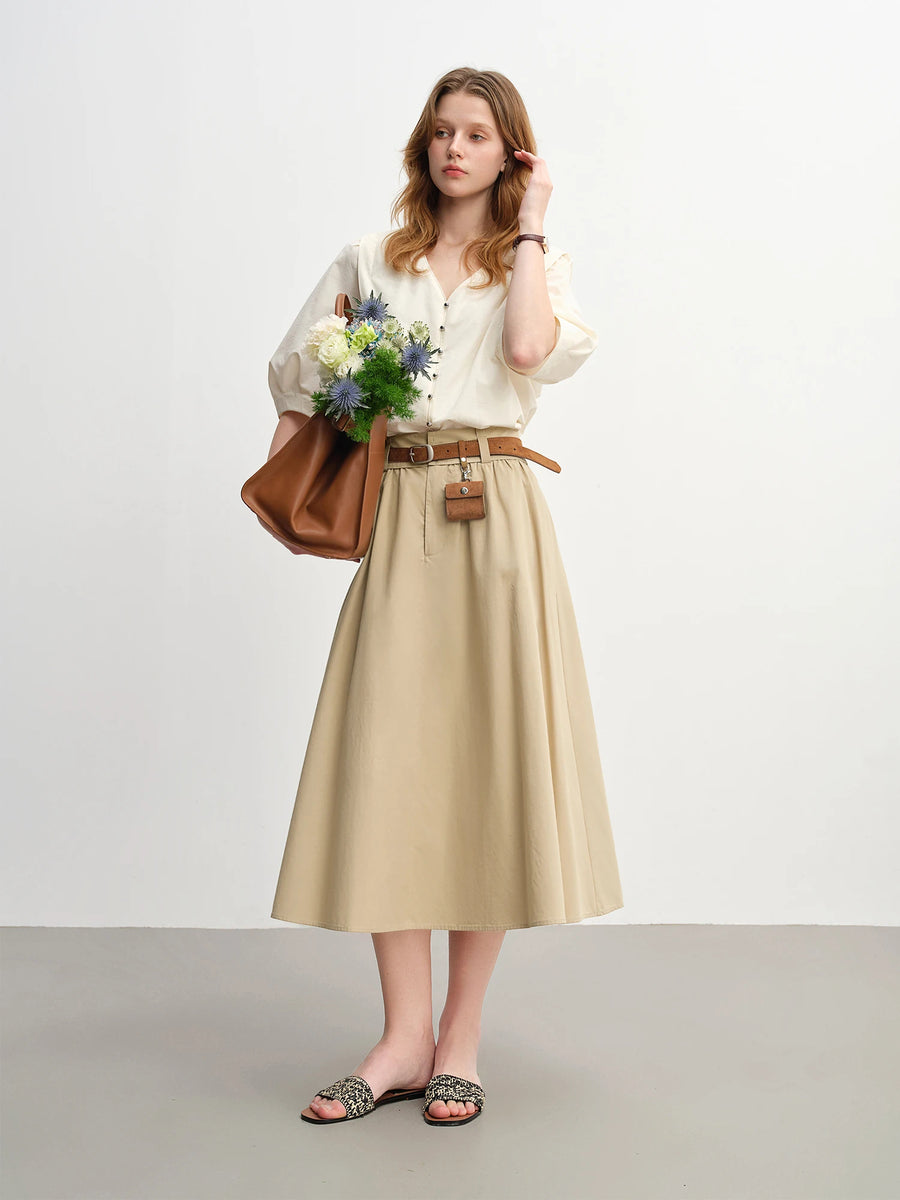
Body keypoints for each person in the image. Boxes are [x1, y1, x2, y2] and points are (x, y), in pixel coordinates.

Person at [261, 67, 624, 1127]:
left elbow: (527, 351)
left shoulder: (536, 266)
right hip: (401, 511)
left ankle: (459, 1040)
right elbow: (297, 380)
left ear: (510, 153)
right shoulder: (372, 259)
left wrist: (532, 223)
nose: (453, 150)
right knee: (393, 768)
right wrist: (302, 482)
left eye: (476, 135)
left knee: (485, 770)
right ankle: (401, 1040)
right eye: (441, 132)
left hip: (497, 517)